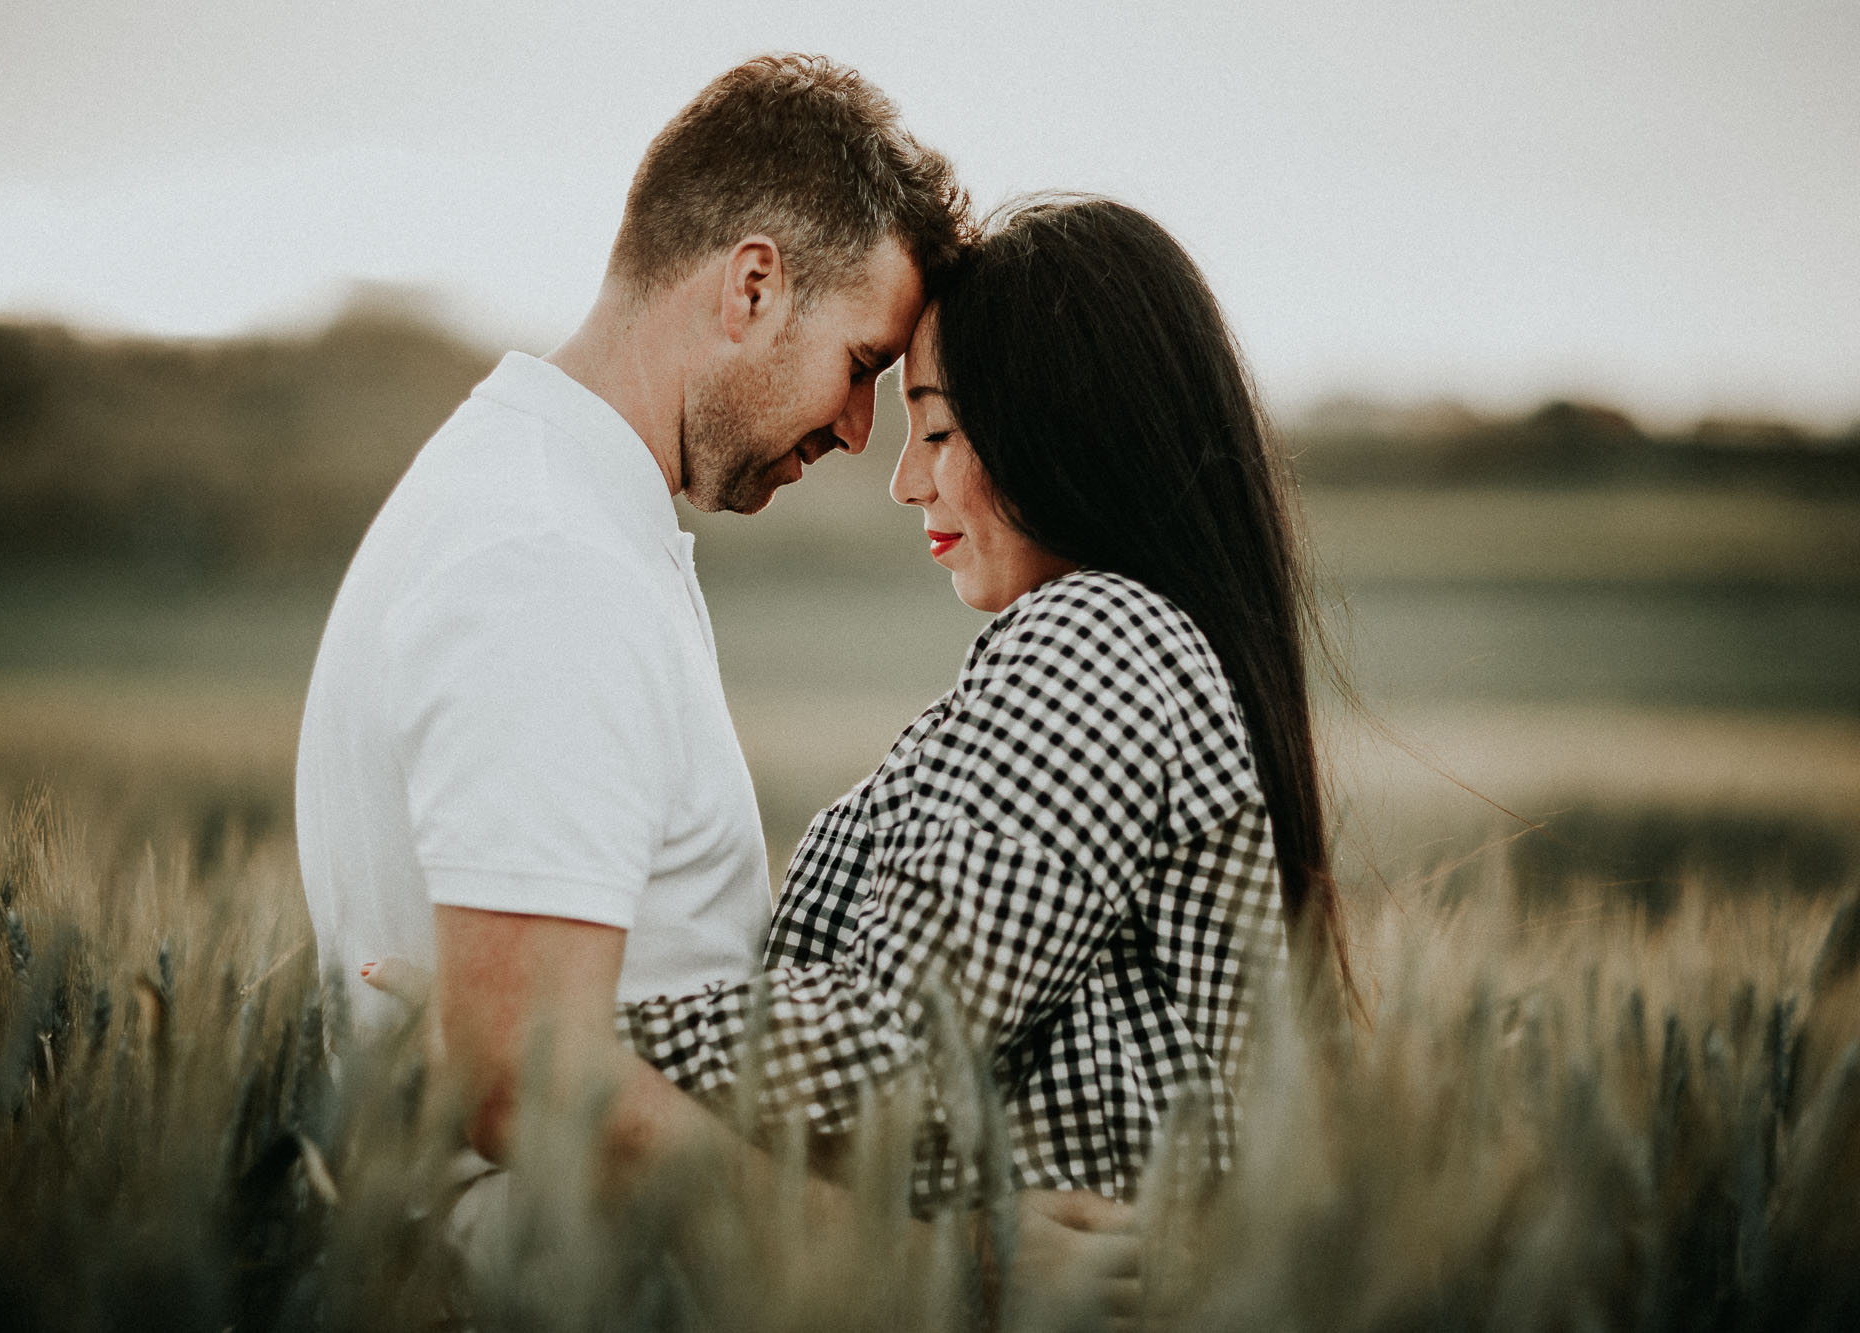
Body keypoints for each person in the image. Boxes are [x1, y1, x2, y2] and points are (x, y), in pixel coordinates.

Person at [617, 195, 1358, 1210]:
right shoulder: (1133, 647)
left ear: (1064, 432)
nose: (906, 480)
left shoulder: (1093, 646)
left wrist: (560, 1035)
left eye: (938, 426)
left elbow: (894, 1036)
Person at [295, 53, 964, 1166]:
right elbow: (518, 1081)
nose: (858, 429)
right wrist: (937, 1270)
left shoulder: (542, 503)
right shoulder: (547, 560)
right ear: (751, 286)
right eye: (859, 365)